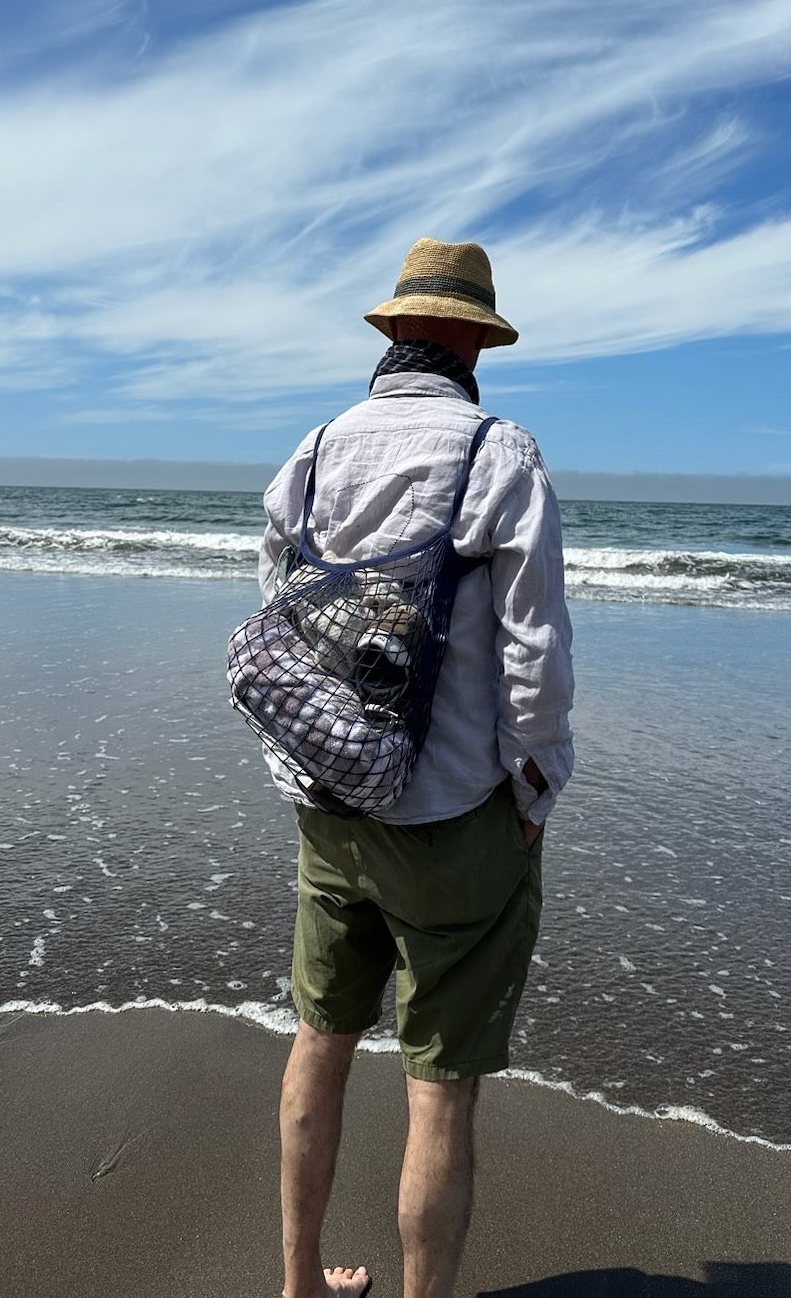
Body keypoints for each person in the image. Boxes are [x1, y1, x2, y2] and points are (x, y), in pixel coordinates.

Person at [257, 238, 575, 1298]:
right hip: (451, 817)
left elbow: (285, 621)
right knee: (439, 1092)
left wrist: (309, 760)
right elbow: (535, 652)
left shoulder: (308, 453)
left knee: (321, 1041)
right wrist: (534, 787)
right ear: (476, 341)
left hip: (330, 802)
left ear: (394, 332)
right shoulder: (501, 454)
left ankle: (302, 1287)